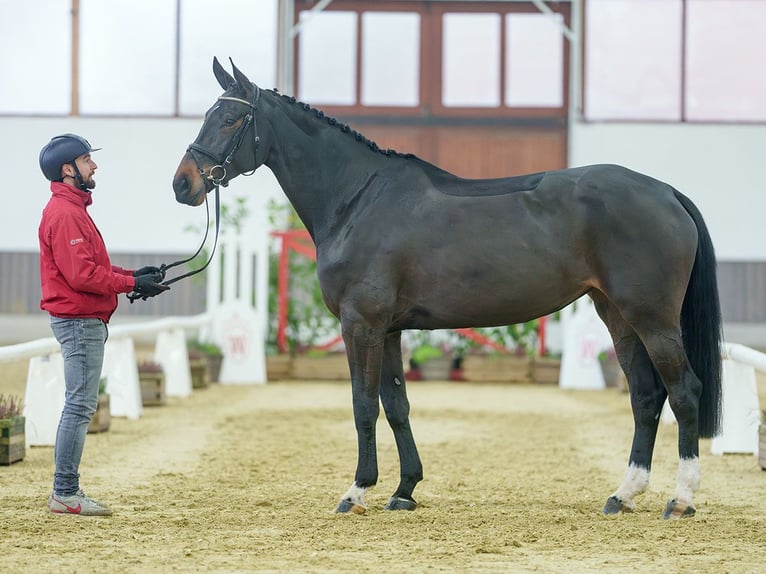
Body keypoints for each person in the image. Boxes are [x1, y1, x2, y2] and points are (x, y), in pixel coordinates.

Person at [37, 133, 169, 516]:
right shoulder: (64, 214)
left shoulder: (73, 210)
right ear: (68, 170)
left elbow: (91, 267)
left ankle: (66, 490)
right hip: (78, 321)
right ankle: (65, 492)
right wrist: (130, 284)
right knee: (79, 406)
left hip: (83, 319)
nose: (94, 166)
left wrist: (135, 275)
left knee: (80, 405)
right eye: (86, 160)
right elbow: (81, 276)